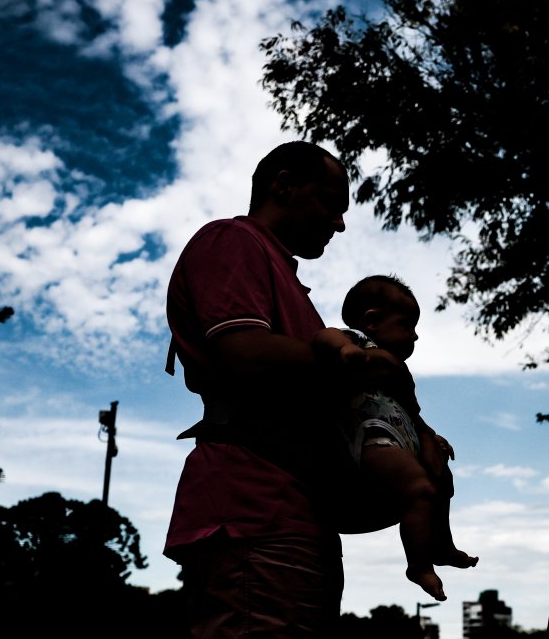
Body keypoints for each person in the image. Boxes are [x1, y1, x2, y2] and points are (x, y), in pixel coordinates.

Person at [161, 141, 427, 637]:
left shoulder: (287, 282)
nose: (340, 224)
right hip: (255, 510)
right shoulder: (231, 240)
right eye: (331, 203)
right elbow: (245, 353)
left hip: (295, 515)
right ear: (284, 185)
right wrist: (369, 368)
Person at [313, 274, 478, 602]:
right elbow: (323, 336)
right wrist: (345, 350)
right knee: (418, 489)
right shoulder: (359, 341)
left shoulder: (395, 370)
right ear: (372, 320)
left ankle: (442, 545)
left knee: (441, 482)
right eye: (407, 325)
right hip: (373, 438)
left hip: (400, 437)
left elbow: (413, 413)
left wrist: (431, 436)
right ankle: (419, 564)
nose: (415, 335)